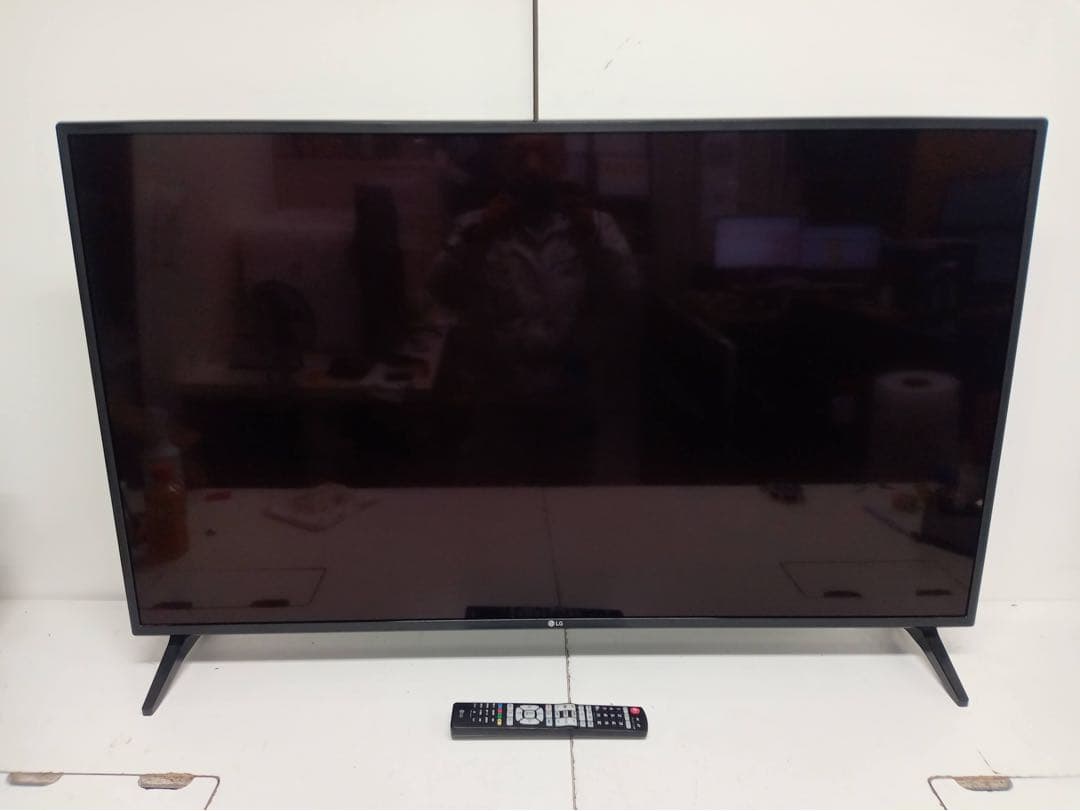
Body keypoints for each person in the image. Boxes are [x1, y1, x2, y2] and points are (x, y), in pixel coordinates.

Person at [427, 134, 641, 482]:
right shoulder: (474, 226)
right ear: (502, 164)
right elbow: (439, 289)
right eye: (520, 155)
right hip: (499, 399)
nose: (533, 167)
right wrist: (480, 235)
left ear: (563, 163)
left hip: (571, 397)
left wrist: (591, 238)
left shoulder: (596, 225)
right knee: (502, 500)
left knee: (568, 496)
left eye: (544, 154)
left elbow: (628, 292)